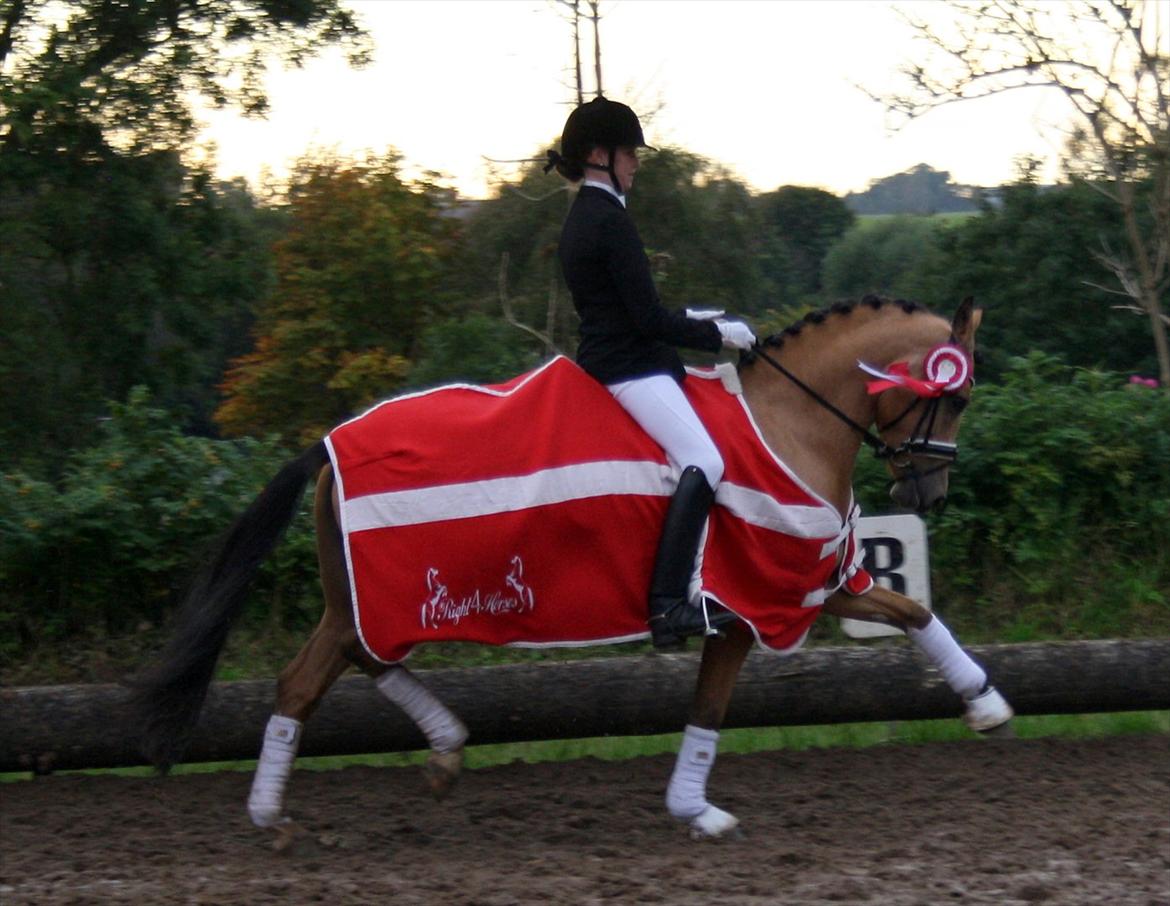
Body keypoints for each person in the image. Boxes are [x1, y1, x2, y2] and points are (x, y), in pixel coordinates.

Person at [545, 96, 757, 647]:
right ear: (599, 156)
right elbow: (645, 319)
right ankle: (669, 605)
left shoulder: (584, 216)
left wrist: (696, 318)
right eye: (629, 153)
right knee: (705, 460)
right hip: (629, 369)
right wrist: (718, 335)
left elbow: (632, 308)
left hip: (622, 356)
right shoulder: (608, 220)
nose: (636, 163)